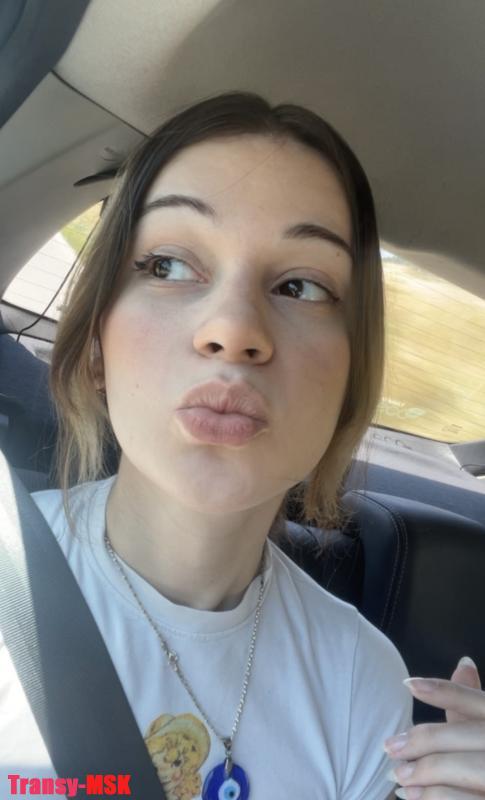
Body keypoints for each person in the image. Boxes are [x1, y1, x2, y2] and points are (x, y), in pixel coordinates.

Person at [1, 91, 483, 800]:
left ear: (350, 383)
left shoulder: (361, 679)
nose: (233, 330)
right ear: (97, 345)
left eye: (300, 285)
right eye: (168, 266)